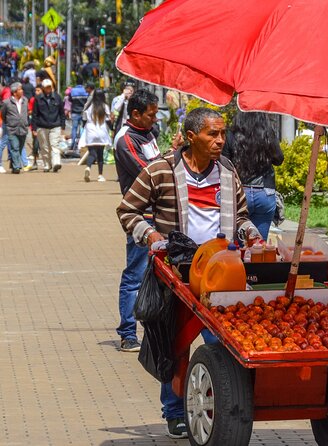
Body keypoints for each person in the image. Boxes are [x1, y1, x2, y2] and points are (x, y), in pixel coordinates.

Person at [117, 107, 261, 438]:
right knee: (176, 345)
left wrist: (250, 232)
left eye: (223, 134)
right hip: (176, 274)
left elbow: (239, 216)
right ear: (192, 137)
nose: (220, 141)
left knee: (224, 344)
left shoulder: (227, 172)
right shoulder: (160, 171)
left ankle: (223, 407)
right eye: (213, 134)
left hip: (220, 274)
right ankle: (173, 410)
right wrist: (150, 235)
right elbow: (128, 209)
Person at [113, 89, 163, 354]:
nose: (154, 120)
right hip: (141, 216)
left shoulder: (148, 134)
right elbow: (149, 172)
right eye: (150, 115)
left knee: (159, 275)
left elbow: (156, 162)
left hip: (160, 214)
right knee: (135, 274)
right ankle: (128, 333)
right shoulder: (125, 140)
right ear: (135, 114)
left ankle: (154, 331)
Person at [222, 111, 284, 240]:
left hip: (239, 194)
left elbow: (224, 163)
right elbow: (279, 159)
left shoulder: (230, 135)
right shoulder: (267, 134)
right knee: (259, 245)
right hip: (264, 193)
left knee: (236, 243)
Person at [32, 79, 65, 172]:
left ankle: (56, 163)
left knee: (55, 145)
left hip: (55, 125)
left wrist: (63, 125)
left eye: (50, 87)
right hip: (42, 126)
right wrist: (34, 128)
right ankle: (47, 164)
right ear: (43, 88)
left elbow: (61, 112)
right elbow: (35, 114)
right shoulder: (38, 98)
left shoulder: (57, 97)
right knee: (44, 147)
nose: (48, 89)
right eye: (46, 87)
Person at [82, 89, 112, 182]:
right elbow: (108, 121)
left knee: (92, 153)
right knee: (100, 154)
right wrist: (112, 129)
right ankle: (100, 175)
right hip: (101, 131)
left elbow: (84, 119)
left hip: (91, 131)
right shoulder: (105, 106)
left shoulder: (89, 106)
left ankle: (88, 167)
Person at [1, 82, 29, 173]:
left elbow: (26, 113)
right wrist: (9, 123)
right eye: (20, 89)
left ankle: (13, 165)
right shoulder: (6, 102)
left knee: (20, 148)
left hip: (23, 128)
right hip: (12, 128)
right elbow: (3, 114)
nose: (22, 91)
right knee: (15, 147)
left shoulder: (25, 100)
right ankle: (17, 167)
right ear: (14, 92)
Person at [68, 82, 90, 155]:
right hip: (83, 112)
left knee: (74, 128)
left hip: (75, 112)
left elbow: (70, 99)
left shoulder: (73, 91)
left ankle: (73, 144)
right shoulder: (85, 90)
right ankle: (81, 144)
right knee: (83, 128)